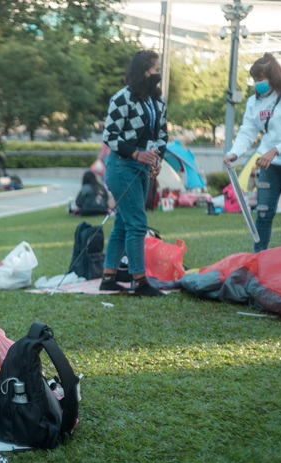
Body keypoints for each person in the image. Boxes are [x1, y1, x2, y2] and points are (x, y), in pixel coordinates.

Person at [223, 53, 281, 252]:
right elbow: (247, 131)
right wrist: (234, 153)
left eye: (261, 79)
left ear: (274, 77)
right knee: (263, 213)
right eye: (255, 79)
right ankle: (260, 259)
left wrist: (276, 150)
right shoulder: (254, 102)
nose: (258, 84)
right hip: (270, 165)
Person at [100, 50, 168, 297]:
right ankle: (139, 281)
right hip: (122, 167)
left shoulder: (157, 100)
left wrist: (157, 159)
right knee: (137, 224)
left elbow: (162, 134)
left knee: (122, 223)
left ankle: (108, 278)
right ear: (144, 71)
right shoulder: (122, 98)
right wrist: (136, 154)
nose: (158, 73)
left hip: (142, 168)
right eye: (156, 69)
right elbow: (109, 136)